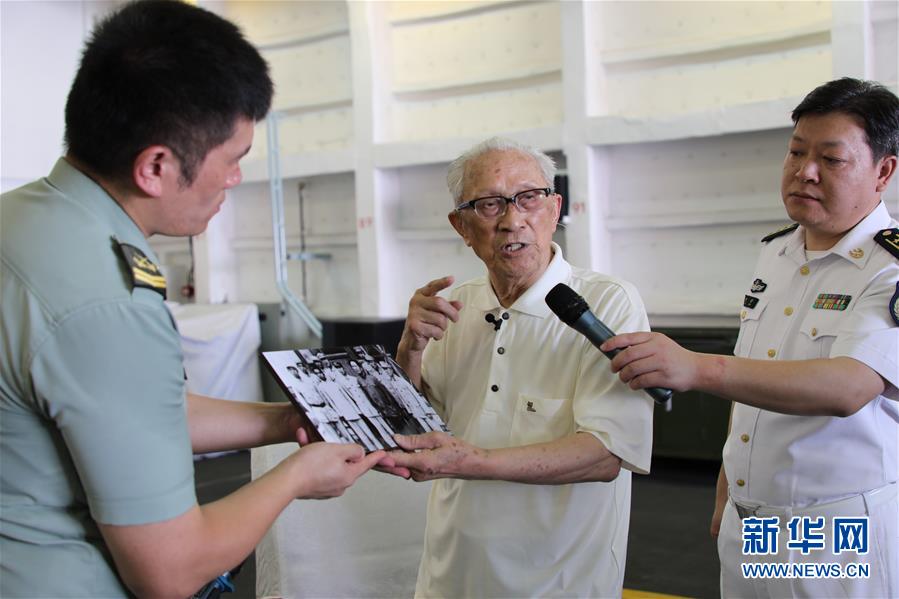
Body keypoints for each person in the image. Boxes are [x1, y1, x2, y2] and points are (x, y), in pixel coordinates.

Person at [0, 2, 389, 597]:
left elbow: (136, 412)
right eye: (231, 161)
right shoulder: (108, 300)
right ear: (156, 166)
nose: (235, 180)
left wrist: (287, 421)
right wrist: (294, 479)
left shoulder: (27, 220)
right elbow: (171, 570)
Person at [603, 78, 898, 597]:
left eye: (831, 159)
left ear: (884, 172)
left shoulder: (888, 268)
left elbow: (848, 387)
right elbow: (755, 379)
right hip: (753, 521)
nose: (805, 171)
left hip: (834, 529)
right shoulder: (777, 253)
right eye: (796, 152)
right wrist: (729, 486)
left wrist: (695, 367)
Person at [388, 137, 654, 597]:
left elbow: (607, 454)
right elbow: (411, 427)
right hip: (450, 576)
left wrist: (473, 462)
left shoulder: (608, 304)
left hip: (560, 583)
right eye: (489, 204)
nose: (512, 220)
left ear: (554, 208)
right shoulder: (454, 307)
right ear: (461, 226)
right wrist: (409, 349)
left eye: (528, 198)